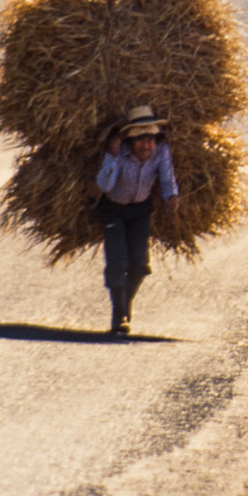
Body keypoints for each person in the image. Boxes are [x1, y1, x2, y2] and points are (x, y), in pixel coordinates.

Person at [95, 105, 179, 335]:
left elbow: (167, 175)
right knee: (118, 262)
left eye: (150, 139)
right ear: (130, 140)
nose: (147, 145)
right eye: (141, 140)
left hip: (140, 210)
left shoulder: (161, 151)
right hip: (112, 209)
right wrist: (111, 157)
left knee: (140, 266)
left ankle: (125, 302)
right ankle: (118, 314)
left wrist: (171, 195)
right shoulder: (118, 153)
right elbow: (105, 185)